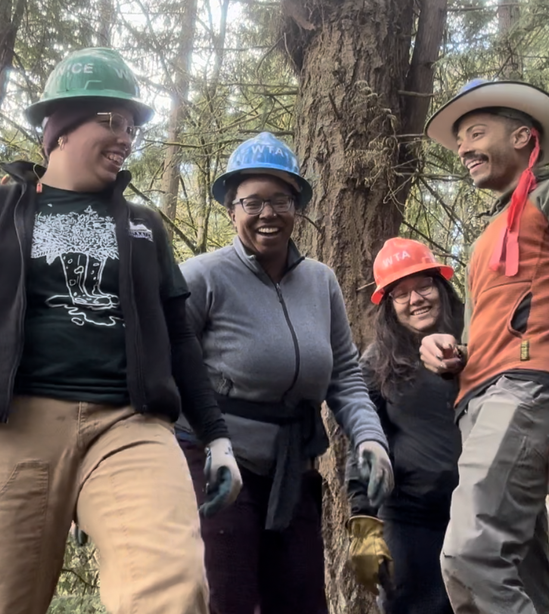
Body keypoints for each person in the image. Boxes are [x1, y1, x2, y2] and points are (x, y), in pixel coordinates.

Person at [0, 47, 242, 614]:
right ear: (60, 128)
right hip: (11, 424)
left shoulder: (142, 225)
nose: (127, 137)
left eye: (132, 126)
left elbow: (179, 336)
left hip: (129, 426)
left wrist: (216, 435)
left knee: (173, 590)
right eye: (112, 121)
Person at [173, 131, 394, 614]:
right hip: (215, 465)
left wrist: (370, 439)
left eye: (281, 200)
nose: (268, 213)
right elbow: (166, 368)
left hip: (292, 470)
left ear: (298, 208)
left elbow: (345, 379)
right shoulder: (202, 277)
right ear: (231, 209)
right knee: (226, 599)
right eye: (253, 202)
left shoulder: (321, 281)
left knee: (300, 602)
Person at [421, 78, 549, 614]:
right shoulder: (487, 233)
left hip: (526, 395)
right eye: (459, 140)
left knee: (471, 556)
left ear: (524, 137)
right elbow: (505, 320)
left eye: (476, 133)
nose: (462, 149)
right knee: (524, 580)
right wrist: (451, 351)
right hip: (480, 409)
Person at [345, 237, 463, 614]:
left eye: (423, 285)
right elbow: (364, 440)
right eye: (400, 293)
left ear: (441, 285)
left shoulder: (477, 336)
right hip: (412, 518)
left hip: (483, 510)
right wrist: (363, 519)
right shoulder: (377, 362)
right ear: (389, 306)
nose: (415, 300)